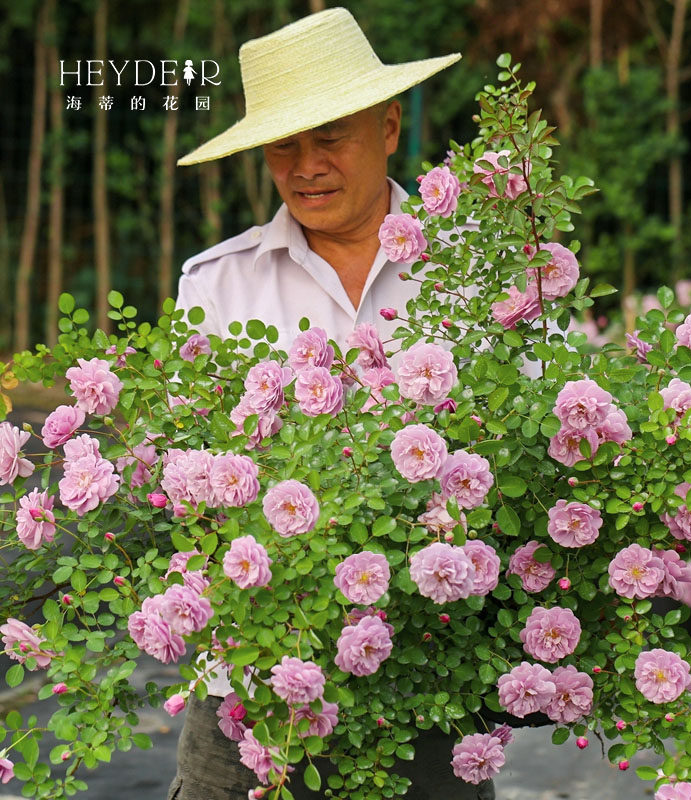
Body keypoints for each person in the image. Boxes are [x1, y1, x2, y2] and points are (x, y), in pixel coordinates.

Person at [169, 8, 497, 800]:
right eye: (284, 144)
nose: (306, 165)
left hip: (426, 670)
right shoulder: (219, 284)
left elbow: (513, 455)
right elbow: (189, 483)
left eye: (330, 137)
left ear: (388, 127)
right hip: (249, 685)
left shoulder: (474, 273)